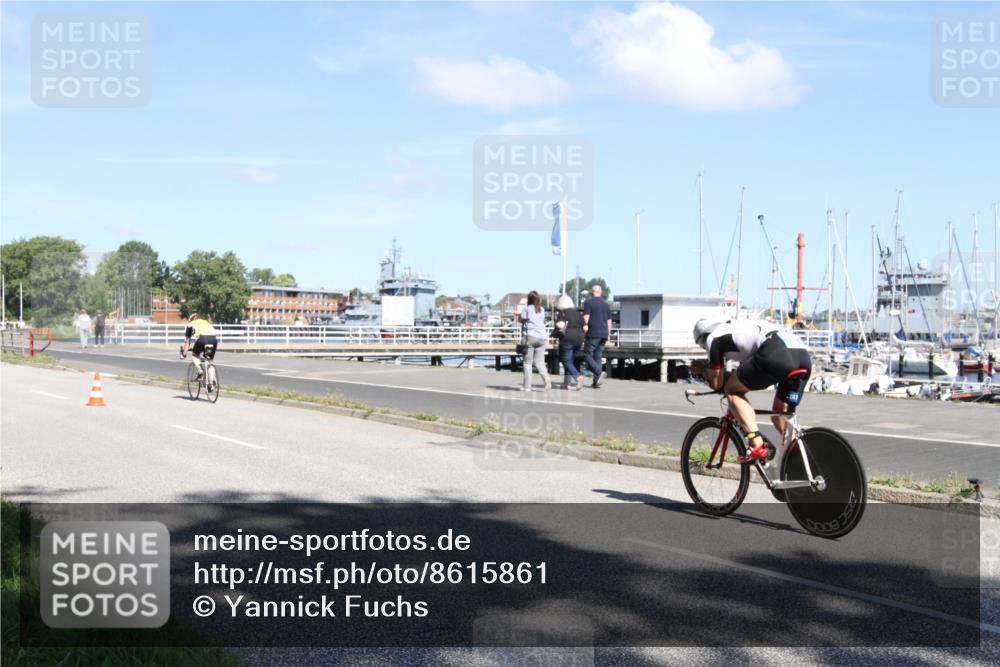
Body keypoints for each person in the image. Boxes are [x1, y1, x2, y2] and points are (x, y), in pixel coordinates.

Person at [693, 318, 811, 463]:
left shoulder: (713, 338)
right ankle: (803, 458)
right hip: (801, 355)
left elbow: (718, 383)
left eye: (701, 345)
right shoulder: (736, 328)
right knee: (779, 414)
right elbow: (747, 371)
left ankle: (757, 445)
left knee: (732, 390)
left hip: (775, 351)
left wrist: (703, 369)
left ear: (703, 338)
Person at [518, 291, 551, 391]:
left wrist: (519, 316)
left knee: (527, 363)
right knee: (540, 362)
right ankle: (546, 379)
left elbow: (521, 320)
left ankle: (527, 387)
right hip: (542, 338)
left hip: (530, 337)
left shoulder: (527, 309)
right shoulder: (542, 309)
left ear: (529, 299)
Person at [582, 284, 612, 387]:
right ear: (601, 292)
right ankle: (596, 382)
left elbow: (586, 318)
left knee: (587, 355)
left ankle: (598, 372)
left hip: (593, 333)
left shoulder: (588, 303)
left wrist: (584, 331)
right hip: (603, 333)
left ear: (592, 292)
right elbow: (609, 321)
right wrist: (608, 335)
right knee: (598, 357)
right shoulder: (606, 305)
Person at [553, 294, 585, 390]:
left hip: (567, 338)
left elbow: (561, 324)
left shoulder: (562, 313)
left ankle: (577, 377)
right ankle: (567, 384)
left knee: (565, 360)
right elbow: (585, 327)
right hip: (579, 339)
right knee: (570, 361)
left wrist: (556, 324)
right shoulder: (578, 313)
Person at [180, 312, 219, 390]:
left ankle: (200, 370)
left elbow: (187, 342)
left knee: (194, 354)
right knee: (210, 363)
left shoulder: (190, 324)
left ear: (191, 319)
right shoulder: (205, 322)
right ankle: (211, 385)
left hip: (202, 339)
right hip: (214, 339)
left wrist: (184, 353)